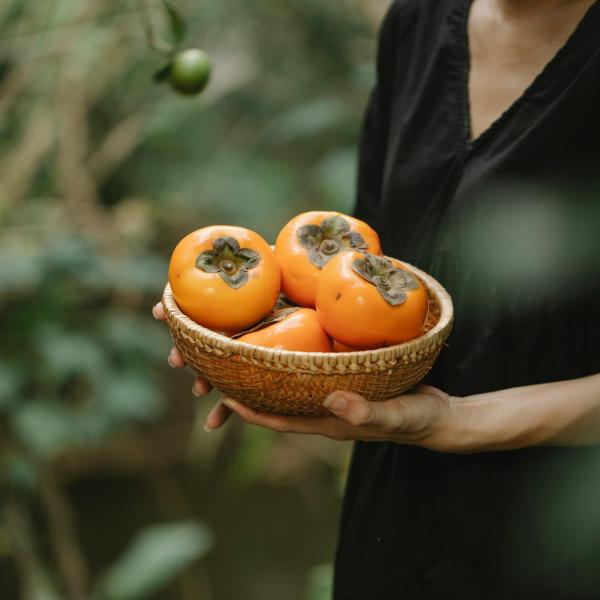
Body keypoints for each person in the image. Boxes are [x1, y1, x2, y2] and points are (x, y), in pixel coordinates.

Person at [154, 0, 600, 597]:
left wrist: (459, 421)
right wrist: (251, 341)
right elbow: (355, 274)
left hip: (564, 531)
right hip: (398, 506)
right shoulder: (417, 22)